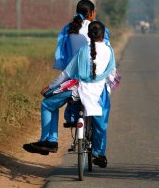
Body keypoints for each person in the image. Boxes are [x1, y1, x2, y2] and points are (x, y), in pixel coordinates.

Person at [23, 21, 115, 168]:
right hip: (99, 93)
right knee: (101, 123)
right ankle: (99, 153)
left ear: (89, 35)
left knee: (47, 104)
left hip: (79, 90)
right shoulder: (109, 51)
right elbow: (112, 74)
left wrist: (51, 87)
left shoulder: (83, 51)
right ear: (103, 35)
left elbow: (67, 73)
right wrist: (108, 88)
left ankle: (49, 139)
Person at [53, 0, 110, 125]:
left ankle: (71, 117)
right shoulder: (98, 27)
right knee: (102, 104)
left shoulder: (68, 28)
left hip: (72, 74)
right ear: (91, 14)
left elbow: (62, 51)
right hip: (94, 74)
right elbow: (105, 51)